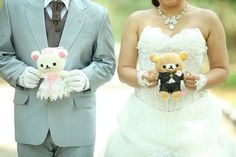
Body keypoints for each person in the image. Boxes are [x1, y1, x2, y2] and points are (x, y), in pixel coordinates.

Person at [104, 0, 236, 157]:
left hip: (194, 120)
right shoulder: (136, 20)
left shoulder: (208, 18)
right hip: (144, 119)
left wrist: (201, 80)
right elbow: (124, 70)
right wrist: (142, 77)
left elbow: (221, 69)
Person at [0, 0, 116, 157]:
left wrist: (86, 77)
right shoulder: (12, 6)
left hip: (77, 122)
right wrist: (19, 73)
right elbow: (3, 54)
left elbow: (107, 63)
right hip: (30, 121)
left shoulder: (98, 13)